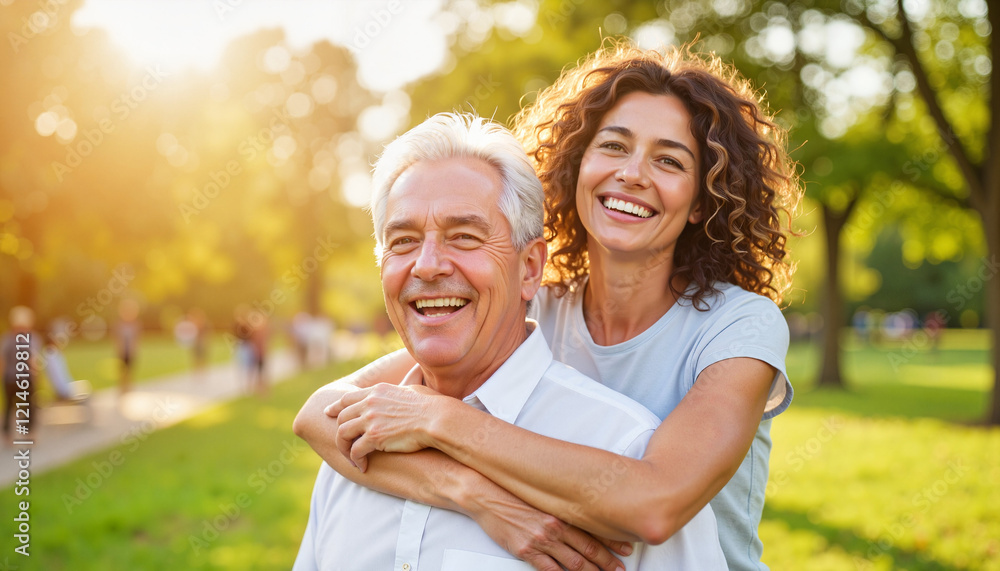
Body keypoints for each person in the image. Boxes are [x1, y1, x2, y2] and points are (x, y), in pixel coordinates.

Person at [295, 41, 801, 571]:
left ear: (701, 200)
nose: (633, 174)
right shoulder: (536, 301)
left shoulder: (737, 326)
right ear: (576, 165)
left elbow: (655, 505)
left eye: (669, 160)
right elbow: (318, 415)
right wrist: (472, 494)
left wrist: (441, 420)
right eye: (614, 146)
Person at [2, 306, 42, 441]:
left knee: (9, 406)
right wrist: (36, 377)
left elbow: (2, 361)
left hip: (10, 379)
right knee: (28, 405)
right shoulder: (32, 338)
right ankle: (29, 433)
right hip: (25, 378)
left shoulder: (7, 338)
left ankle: (8, 435)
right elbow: (33, 361)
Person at [114, 298, 141, 395]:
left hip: (130, 351)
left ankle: (129, 387)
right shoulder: (119, 324)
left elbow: (136, 339)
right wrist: (118, 349)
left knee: (130, 370)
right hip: (122, 352)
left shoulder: (135, 325)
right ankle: (122, 387)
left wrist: (135, 350)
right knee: (122, 370)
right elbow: (117, 339)